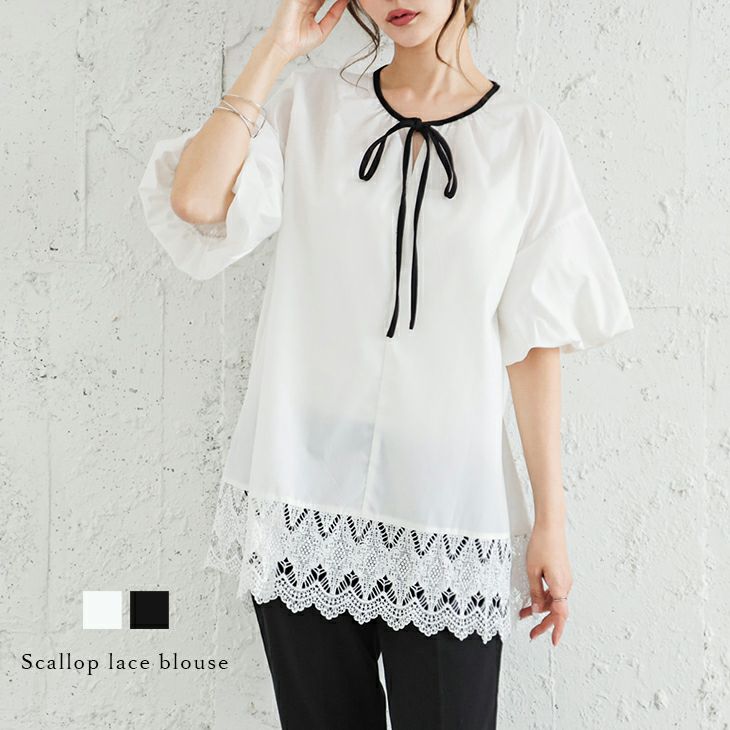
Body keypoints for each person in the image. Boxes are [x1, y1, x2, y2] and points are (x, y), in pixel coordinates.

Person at [137, 1, 634, 727]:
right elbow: (196, 198)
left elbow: (533, 344)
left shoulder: (525, 138)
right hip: (304, 495)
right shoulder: (312, 108)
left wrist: (549, 521)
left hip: (447, 507)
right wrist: (276, 48)